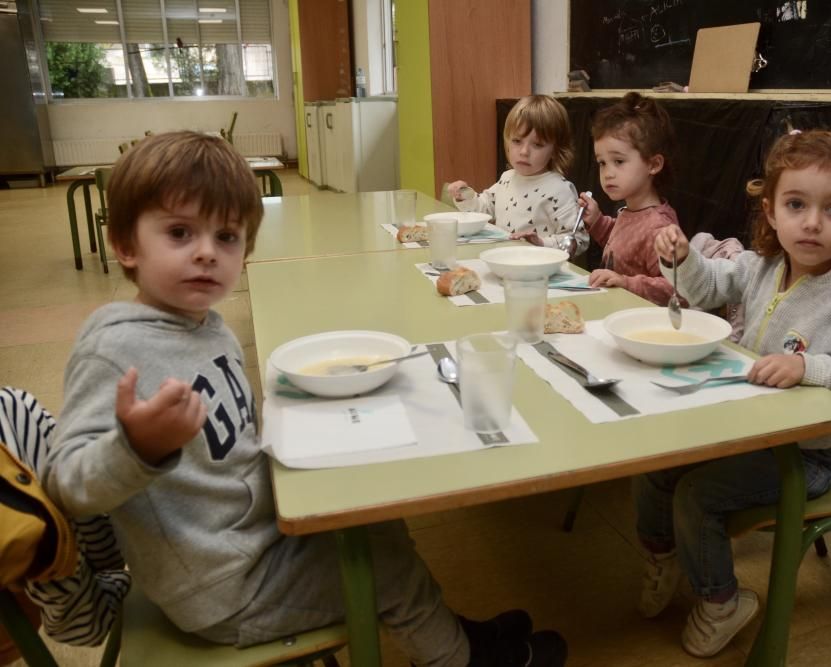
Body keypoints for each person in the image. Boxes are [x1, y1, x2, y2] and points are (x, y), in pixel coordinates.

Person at [42, 131, 567, 667]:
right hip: (221, 586)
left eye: (226, 237)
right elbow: (67, 485)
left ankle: (448, 634)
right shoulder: (114, 346)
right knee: (386, 569)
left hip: (258, 537)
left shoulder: (205, 325)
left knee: (376, 521)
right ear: (125, 245)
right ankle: (457, 657)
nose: (206, 252)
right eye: (179, 233)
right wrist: (137, 447)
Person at [639, 129, 831, 658]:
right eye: (796, 204)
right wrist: (682, 255)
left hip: (805, 457)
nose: (811, 223)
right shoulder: (761, 267)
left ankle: (722, 601)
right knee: (654, 462)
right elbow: (706, 287)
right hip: (743, 428)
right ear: (771, 212)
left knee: (697, 495)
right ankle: (661, 554)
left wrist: (811, 366)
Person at [575, 92, 683, 305]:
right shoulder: (631, 211)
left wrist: (626, 283)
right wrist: (597, 221)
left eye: (618, 161)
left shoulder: (659, 227)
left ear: (653, 165)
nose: (608, 173)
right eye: (602, 163)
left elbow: (677, 290)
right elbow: (624, 245)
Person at [447, 94, 587, 256]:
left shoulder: (559, 189)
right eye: (517, 141)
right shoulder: (507, 178)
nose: (524, 151)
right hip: (503, 262)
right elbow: (484, 208)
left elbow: (579, 239)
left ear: (555, 151)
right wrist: (465, 195)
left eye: (537, 144)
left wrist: (542, 243)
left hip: (540, 272)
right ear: (507, 142)